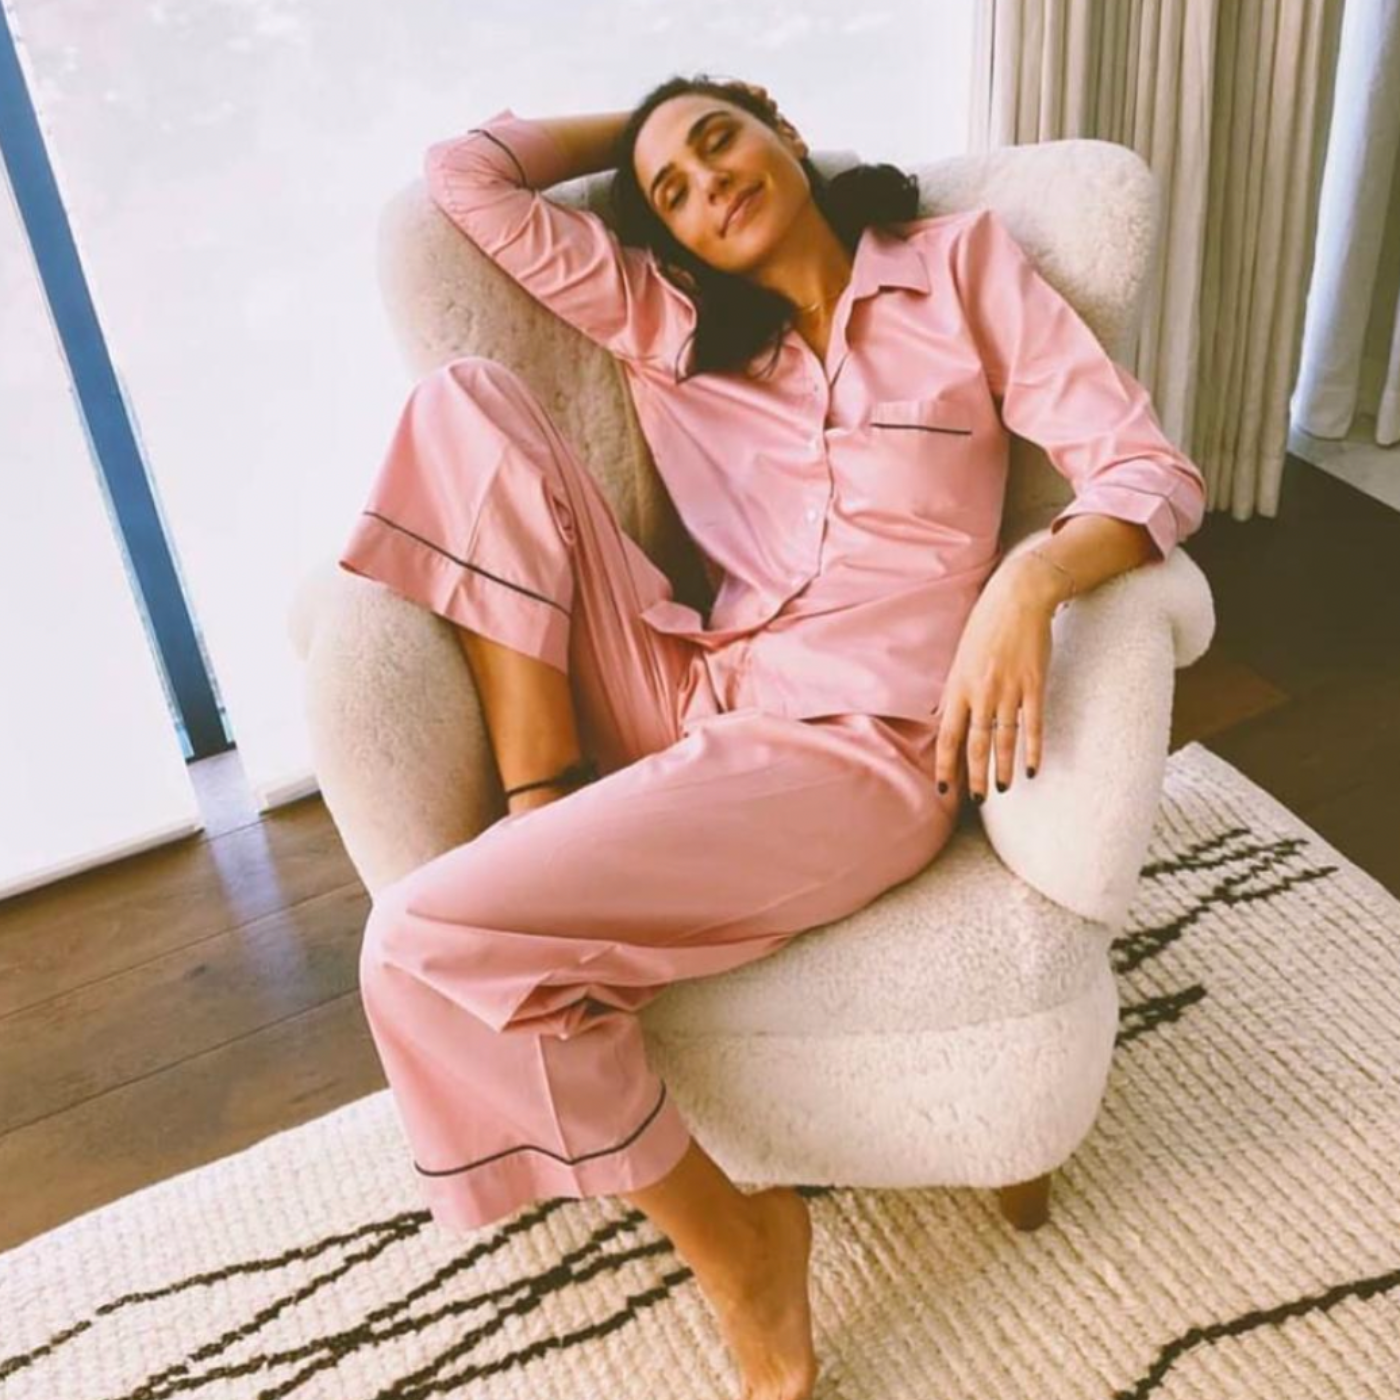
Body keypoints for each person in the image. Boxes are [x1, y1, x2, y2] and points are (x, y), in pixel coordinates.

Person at [337, 72, 1207, 1400]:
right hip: (686, 680)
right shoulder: (670, 318)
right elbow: (465, 177)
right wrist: (647, 118)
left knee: (420, 939)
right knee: (463, 400)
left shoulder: (962, 269)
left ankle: (742, 1245)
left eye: (720, 141)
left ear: (784, 133)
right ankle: (539, 792)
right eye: (671, 191)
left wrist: (1027, 580)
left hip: (857, 746)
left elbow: (1146, 467)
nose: (707, 186)